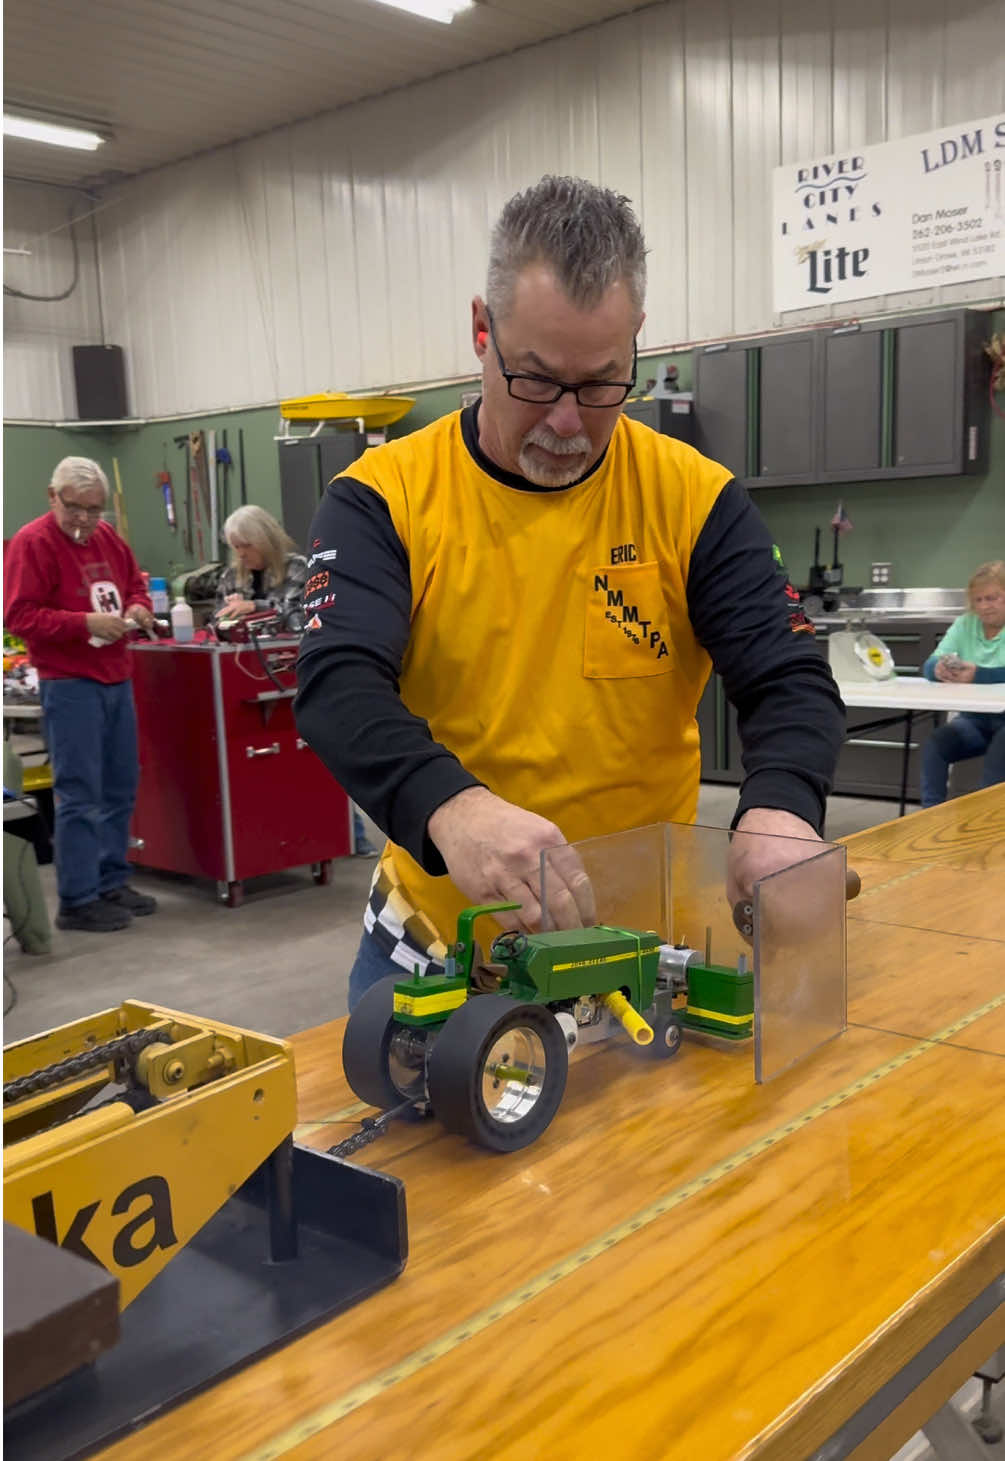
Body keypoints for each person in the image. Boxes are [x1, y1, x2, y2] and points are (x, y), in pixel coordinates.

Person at [296, 175, 845, 1008]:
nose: (566, 421)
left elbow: (787, 675)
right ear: (481, 331)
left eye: (600, 385)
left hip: (637, 953)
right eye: (537, 379)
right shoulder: (384, 498)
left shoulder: (692, 499)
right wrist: (450, 804)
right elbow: (338, 684)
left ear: (635, 344)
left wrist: (779, 808)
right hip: (442, 950)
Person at [3, 457, 157, 932]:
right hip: (70, 684)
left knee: (119, 786)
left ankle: (112, 879)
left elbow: (136, 586)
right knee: (79, 793)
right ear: (53, 497)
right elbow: (19, 615)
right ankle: (77, 897)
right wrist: (83, 624)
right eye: (76, 509)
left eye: (96, 510)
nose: (86, 520)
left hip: (116, 677)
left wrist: (139, 607)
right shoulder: (33, 543)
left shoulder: (109, 539)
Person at [920, 560, 1005, 808]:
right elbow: (930, 664)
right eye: (978, 600)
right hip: (975, 720)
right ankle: (930, 816)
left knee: (999, 752)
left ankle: (988, 826)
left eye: (992, 598)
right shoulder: (965, 623)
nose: (984, 606)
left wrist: (978, 675)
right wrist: (938, 669)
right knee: (937, 744)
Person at [215, 506, 308, 630]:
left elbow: (298, 619)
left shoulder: (297, 568)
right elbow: (215, 624)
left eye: (247, 546)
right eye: (236, 547)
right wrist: (229, 613)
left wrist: (255, 606)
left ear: (266, 541)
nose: (241, 554)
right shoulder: (231, 576)